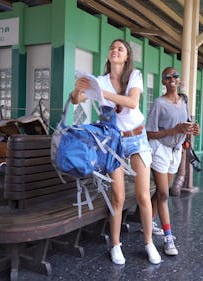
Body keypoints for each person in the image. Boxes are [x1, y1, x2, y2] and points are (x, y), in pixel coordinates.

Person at [71, 39, 161, 265]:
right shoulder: (99, 81)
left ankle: (149, 243)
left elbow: (132, 102)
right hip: (113, 141)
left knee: (143, 195)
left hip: (137, 138)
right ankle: (115, 245)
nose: (115, 50)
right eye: (112, 48)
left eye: (120, 49)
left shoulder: (134, 76)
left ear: (127, 56)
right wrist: (79, 88)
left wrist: (102, 93)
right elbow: (76, 100)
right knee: (118, 197)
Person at [145, 67, 200, 256]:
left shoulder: (183, 101)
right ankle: (168, 238)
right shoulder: (159, 103)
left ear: (179, 79)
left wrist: (192, 130)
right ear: (163, 82)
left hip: (176, 152)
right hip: (160, 149)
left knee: (161, 194)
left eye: (175, 76)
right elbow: (149, 133)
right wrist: (173, 131)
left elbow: (185, 125)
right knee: (163, 194)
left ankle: (148, 221)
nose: (172, 79)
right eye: (167, 77)